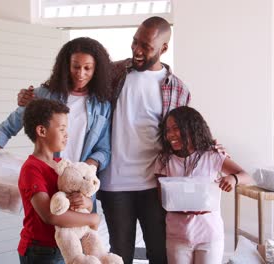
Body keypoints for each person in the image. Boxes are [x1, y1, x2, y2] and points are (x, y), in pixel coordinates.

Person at [97, 16, 191, 264]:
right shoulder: (114, 73)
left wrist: (214, 151)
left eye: (146, 47)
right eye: (135, 42)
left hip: (156, 185)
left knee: (160, 254)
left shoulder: (179, 89)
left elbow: (187, 136)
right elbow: (77, 85)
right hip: (114, 183)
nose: (137, 51)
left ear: (163, 49)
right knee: (120, 254)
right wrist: (36, 94)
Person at [0, 37, 113, 174]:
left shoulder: (102, 106)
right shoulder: (42, 95)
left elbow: (104, 150)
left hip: (80, 188)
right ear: (66, 66)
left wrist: (84, 169)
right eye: (76, 67)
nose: (81, 74)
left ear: (96, 69)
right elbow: (6, 129)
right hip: (45, 181)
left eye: (88, 68)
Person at [155, 106, 252, 264]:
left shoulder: (212, 156)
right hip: (177, 235)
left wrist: (233, 179)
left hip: (209, 235)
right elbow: (163, 199)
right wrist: (181, 202)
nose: (170, 135)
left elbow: (246, 176)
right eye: (167, 130)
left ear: (192, 128)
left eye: (176, 128)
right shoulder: (164, 160)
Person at [18, 98, 100, 264]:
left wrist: (86, 202)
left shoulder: (60, 166)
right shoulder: (31, 169)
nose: (66, 134)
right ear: (42, 131)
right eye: (62, 129)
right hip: (40, 251)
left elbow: (81, 202)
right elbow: (50, 216)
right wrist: (92, 219)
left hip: (64, 247)